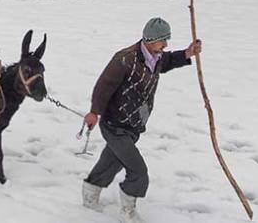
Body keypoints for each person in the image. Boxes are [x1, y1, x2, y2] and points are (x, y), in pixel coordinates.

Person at [81, 17, 202, 219]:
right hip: (115, 125)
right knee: (138, 171)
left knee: (112, 161)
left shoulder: (156, 57)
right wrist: (94, 112)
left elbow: (168, 61)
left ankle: (90, 193)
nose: (165, 45)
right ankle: (127, 212)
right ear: (149, 39)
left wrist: (188, 53)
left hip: (133, 125)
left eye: (166, 40)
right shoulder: (124, 59)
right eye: (162, 40)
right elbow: (104, 86)